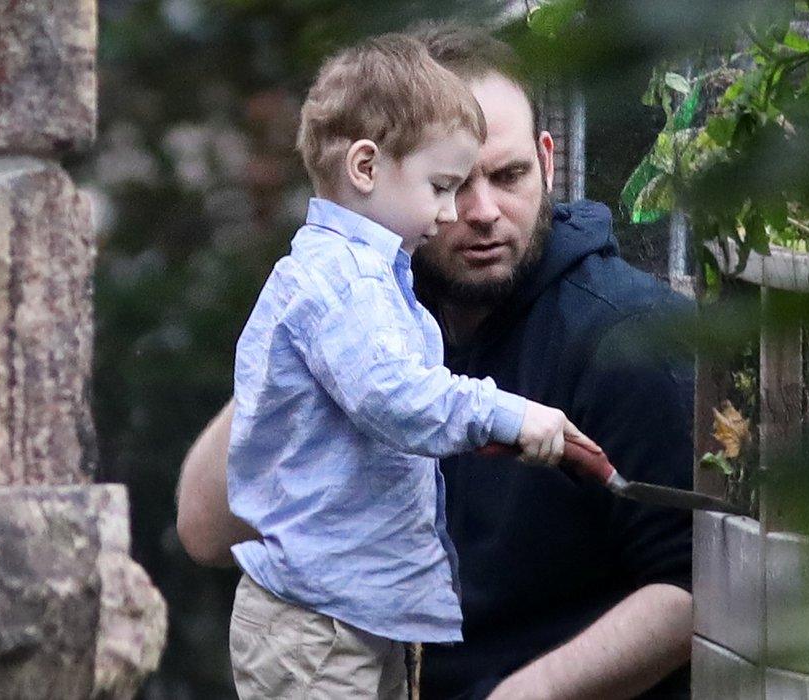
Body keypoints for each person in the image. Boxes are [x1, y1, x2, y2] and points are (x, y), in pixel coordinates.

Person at [177, 23, 695, 699]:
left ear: (548, 158)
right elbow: (207, 529)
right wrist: (305, 339)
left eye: (507, 175)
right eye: (447, 184)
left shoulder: (633, 335)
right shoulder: (359, 304)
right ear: (376, 177)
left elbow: (696, 587)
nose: (478, 211)